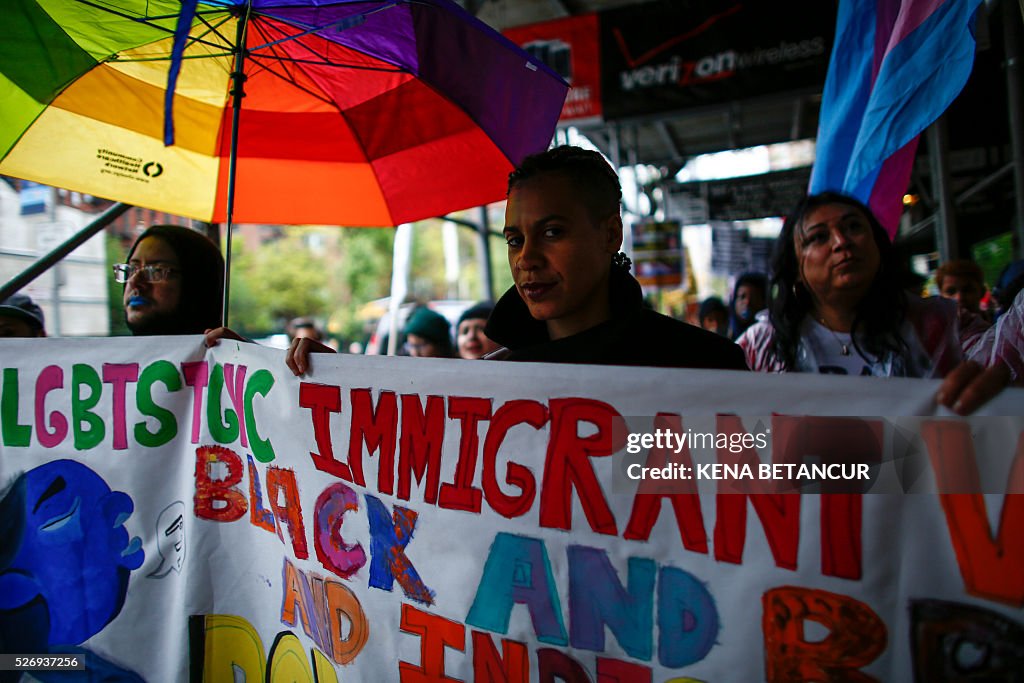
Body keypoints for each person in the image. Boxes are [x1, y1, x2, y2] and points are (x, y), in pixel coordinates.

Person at [483, 145, 747, 370]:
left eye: (552, 232)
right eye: (515, 241)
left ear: (611, 235)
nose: (526, 259)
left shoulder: (705, 365)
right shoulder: (490, 385)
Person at [738, 192, 962, 378]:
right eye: (818, 237)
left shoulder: (941, 325)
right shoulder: (761, 345)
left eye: (853, 227)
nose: (841, 242)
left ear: (877, 244)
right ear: (795, 268)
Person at [116, 224, 224, 335]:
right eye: (132, 269)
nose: (134, 282)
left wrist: (236, 349)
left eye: (157, 271)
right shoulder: (112, 352)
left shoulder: (225, 351)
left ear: (196, 284)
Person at [728, 272, 767, 340]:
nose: (747, 302)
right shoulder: (726, 332)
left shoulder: (768, 336)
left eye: (754, 297)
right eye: (742, 297)